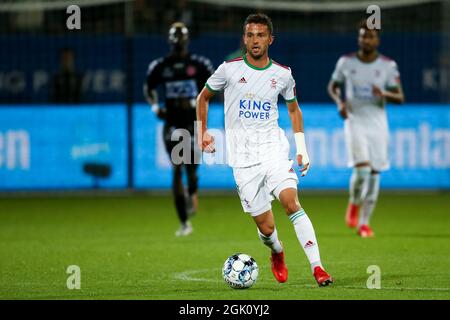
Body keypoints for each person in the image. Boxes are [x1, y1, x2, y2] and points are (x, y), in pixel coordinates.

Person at [197, 13, 333, 286]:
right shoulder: (228, 70)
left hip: (273, 151)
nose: (255, 40)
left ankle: (318, 268)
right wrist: (202, 133)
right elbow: (203, 97)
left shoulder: (282, 75)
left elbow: (294, 109)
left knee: (291, 202)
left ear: (270, 39)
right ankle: (277, 251)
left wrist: (302, 148)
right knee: (266, 227)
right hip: (243, 160)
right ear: (244, 39)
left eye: (260, 35)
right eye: (250, 35)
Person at [327, 20, 405, 237]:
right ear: (359, 39)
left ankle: (364, 223)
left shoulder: (388, 66)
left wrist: (385, 94)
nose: (366, 40)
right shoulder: (346, 62)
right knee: (361, 170)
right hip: (354, 121)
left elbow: (400, 97)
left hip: (378, 125)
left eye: (370, 36)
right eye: (363, 36)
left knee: (374, 174)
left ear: (377, 40)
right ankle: (354, 202)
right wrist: (339, 102)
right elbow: (332, 86)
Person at [144, 22, 214, 237]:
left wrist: (199, 104)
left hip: (193, 124)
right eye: (175, 40)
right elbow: (149, 88)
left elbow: (214, 87)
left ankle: (192, 191)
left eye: (181, 40)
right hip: (173, 123)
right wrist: (156, 106)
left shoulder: (199, 64)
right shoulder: (160, 66)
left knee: (192, 170)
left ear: (187, 41)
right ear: (170, 41)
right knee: (177, 166)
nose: (178, 44)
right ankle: (184, 222)